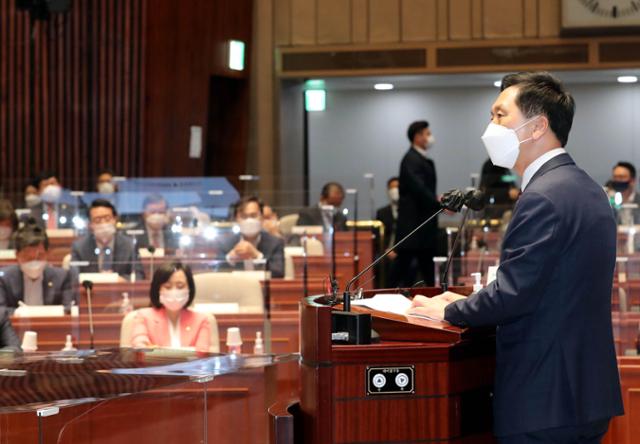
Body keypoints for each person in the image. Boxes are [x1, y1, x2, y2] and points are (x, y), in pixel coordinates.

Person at [409, 72, 623, 443]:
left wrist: (446, 311)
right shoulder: (586, 188)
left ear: (537, 126)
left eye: (499, 115)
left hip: (544, 397)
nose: (490, 127)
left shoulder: (542, 196)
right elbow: (551, 286)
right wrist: (467, 300)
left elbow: (514, 294)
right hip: (584, 394)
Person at [392, 120, 439, 287]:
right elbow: (419, 189)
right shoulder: (411, 159)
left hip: (423, 228)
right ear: (417, 137)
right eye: (427, 133)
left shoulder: (422, 159)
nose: (430, 137)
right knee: (400, 272)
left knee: (427, 271)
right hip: (413, 228)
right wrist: (438, 202)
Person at [130, 262, 212, 352]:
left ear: (190, 289)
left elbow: (203, 354)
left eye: (180, 286)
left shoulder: (201, 320)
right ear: (158, 289)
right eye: (167, 287)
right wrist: (143, 346)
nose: (174, 291)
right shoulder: (143, 316)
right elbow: (139, 342)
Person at [0, 221, 78, 312]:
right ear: (17, 255)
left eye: (39, 256)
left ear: (47, 253)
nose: (34, 262)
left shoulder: (62, 277)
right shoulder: (4, 279)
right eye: (28, 257)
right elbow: (1, 313)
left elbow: (68, 311)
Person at [71, 199, 144, 280]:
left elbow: (139, 276)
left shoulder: (129, 245)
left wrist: (121, 280)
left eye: (107, 218)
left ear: (115, 219)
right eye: (97, 220)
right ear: (90, 224)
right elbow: (73, 277)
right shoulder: (79, 247)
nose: (103, 223)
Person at [215, 197, 285, 278]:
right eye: (244, 216)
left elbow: (279, 273)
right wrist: (230, 258)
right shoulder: (225, 243)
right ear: (236, 219)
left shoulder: (275, 242)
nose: (249, 220)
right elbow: (216, 273)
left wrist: (257, 256)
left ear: (262, 217)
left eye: (254, 215)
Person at [376, 177, 399, 286]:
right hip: (385, 251)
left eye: (397, 187)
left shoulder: (410, 212)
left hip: (404, 251)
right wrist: (386, 250)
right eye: (392, 188)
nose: (394, 190)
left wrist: (398, 251)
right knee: (378, 263)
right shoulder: (382, 212)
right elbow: (377, 235)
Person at [605, 161, 640, 226]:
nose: (617, 180)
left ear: (632, 181)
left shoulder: (638, 200)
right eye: (615, 177)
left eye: (621, 177)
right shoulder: (608, 202)